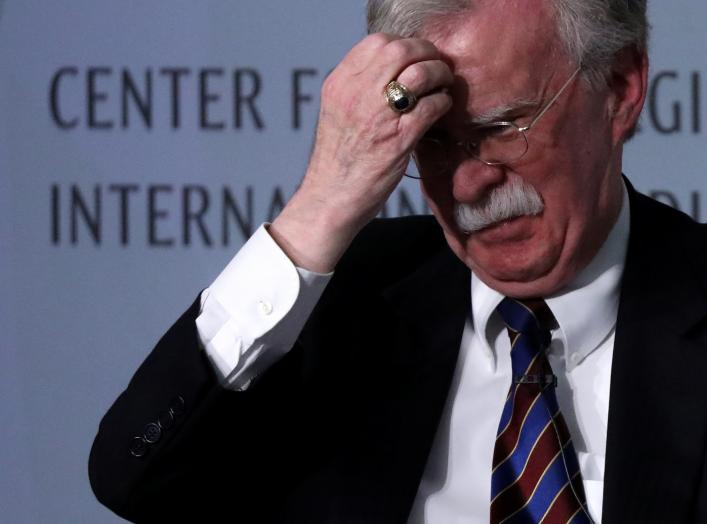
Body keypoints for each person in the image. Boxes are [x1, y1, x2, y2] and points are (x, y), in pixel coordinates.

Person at [89, 1, 707, 523]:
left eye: (502, 128)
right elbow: (134, 483)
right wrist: (322, 205)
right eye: (431, 141)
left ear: (621, 90)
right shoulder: (343, 303)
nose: (466, 186)